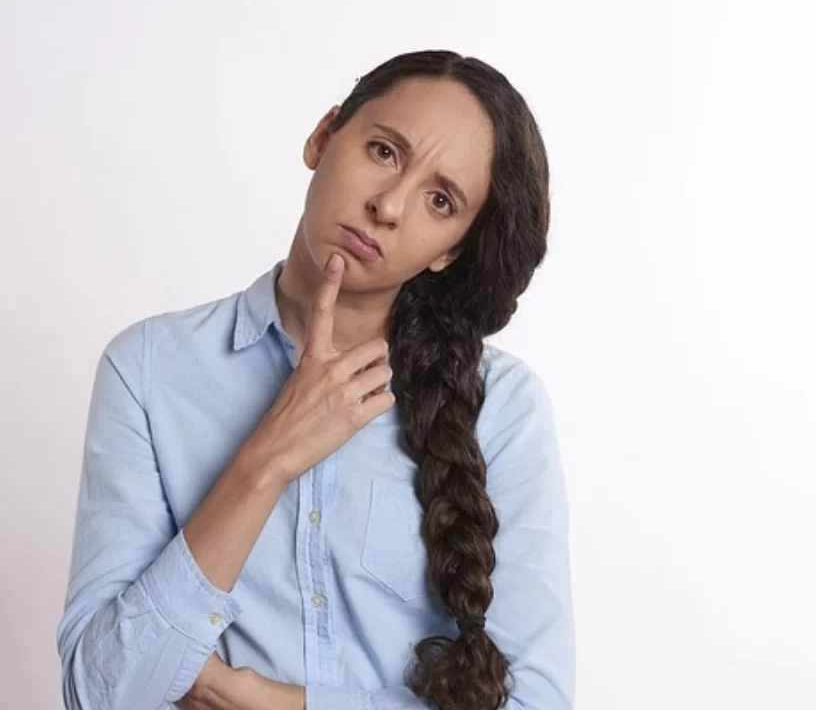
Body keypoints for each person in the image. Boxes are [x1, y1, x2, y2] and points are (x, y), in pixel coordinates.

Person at [54, 50, 574, 710]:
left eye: (439, 200)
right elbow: (99, 695)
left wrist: (271, 701)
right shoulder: (149, 370)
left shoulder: (503, 408)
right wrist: (266, 460)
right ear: (323, 137)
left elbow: (538, 702)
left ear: (450, 250)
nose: (388, 205)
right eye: (384, 152)